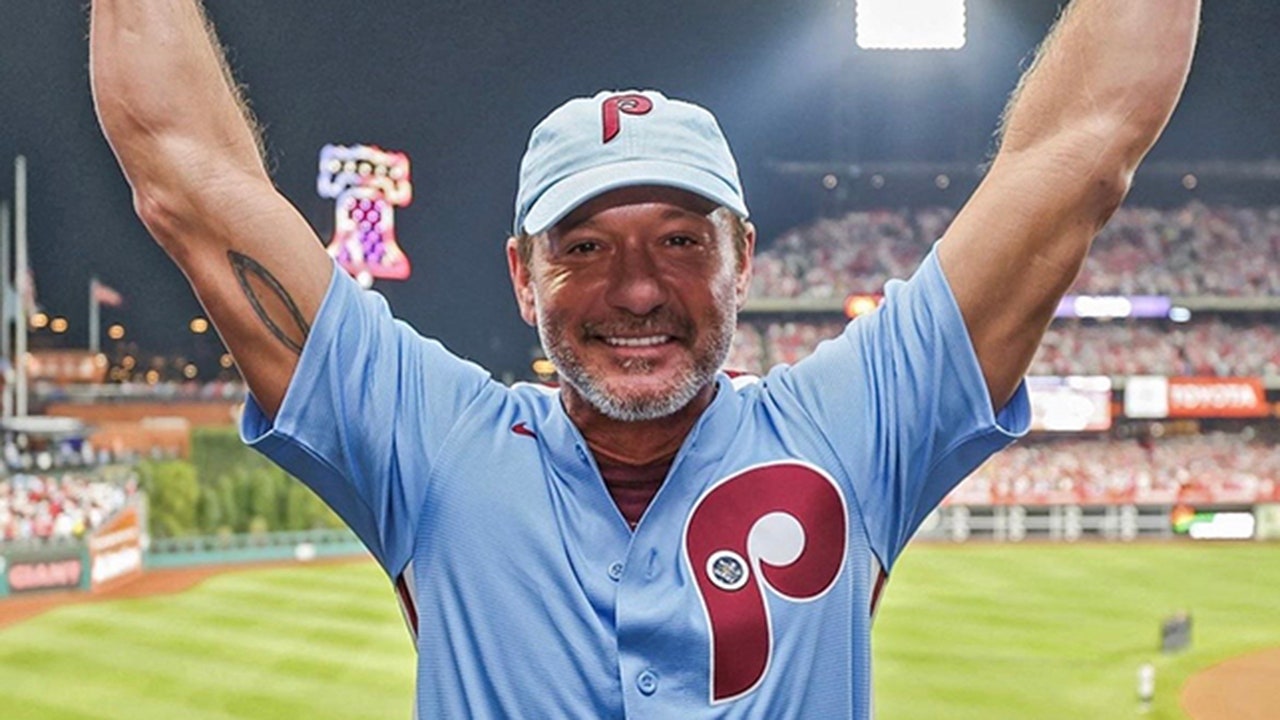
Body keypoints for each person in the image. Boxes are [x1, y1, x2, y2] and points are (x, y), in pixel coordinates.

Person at [89, 0, 1200, 716]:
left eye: (679, 241)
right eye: (583, 248)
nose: (634, 291)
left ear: (743, 260)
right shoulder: (428, 444)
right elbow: (185, 175)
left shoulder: (854, 427)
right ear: (523, 277)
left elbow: (1082, 152)